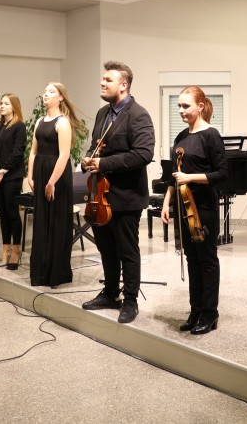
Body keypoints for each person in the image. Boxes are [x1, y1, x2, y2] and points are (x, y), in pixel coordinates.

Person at [81, 61, 155, 324]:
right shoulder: (103, 113)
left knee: (127, 250)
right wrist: (88, 159)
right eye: (102, 79)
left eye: (108, 80)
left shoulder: (139, 115)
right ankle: (111, 293)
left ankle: (130, 299)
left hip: (126, 196)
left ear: (123, 85)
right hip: (99, 195)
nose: (102, 83)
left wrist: (103, 163)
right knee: (106, 248)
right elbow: (95, 146)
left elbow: (143, 154)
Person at [160, 86, 227, 334]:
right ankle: (196, 310)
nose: (181, 110)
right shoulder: (180, 136)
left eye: (185, 105)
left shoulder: (211, 135)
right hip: (183, 206)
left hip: (204, 207)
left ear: (200, 106)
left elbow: (222, 174)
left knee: (206, 260)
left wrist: (190, 178)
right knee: (191, 259)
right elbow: (173, 175)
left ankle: (210, 313)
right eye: (178, 105)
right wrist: (167, 202)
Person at [27, 82, 82, 287]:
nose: (46, 94)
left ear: (60, 98)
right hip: (41, 172)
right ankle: (40, 273)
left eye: (51, 92)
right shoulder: (39, 121)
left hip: (57, 176)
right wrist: (30, 176)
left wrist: (51, 182)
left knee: (56, 222)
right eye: (45, 91)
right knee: (42, 222)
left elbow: (64, 155)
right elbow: (33, 152)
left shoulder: (63, 122)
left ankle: (56, 273)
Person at [0, 93, 27, 271]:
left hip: (11, 176)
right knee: (2, 214)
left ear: (14, 107)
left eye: (6, 104)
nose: (2, 106)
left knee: (12, 213)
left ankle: (16, 252)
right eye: (1, 103)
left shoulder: (19, 126)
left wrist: (2, 172)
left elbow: (17, 153)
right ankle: (5, 252)